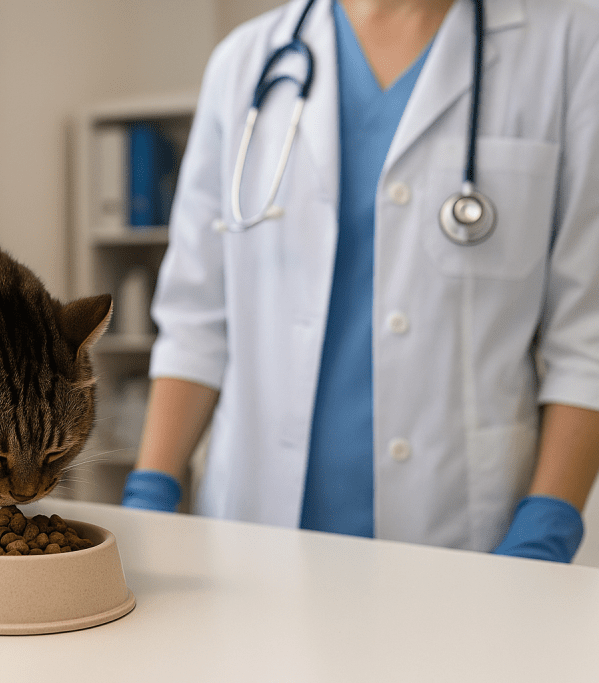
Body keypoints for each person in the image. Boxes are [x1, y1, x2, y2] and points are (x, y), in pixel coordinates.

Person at [121, 0, 599, 562]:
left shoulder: (569, 45)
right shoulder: (246, 60)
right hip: (252, 536)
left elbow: (586, 334)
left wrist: (548, 523)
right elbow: (195, 323)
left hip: (464, 540)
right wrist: (152, 491)